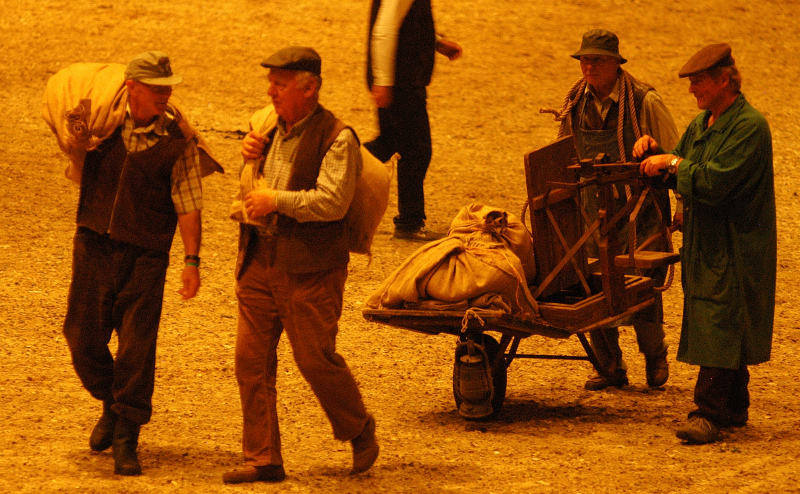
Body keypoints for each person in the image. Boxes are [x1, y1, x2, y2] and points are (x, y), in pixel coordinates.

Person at [60, 51, 221, 476]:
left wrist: (192, 260)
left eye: (168, 88)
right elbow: (72, 148)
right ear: (131, 87)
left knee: (137, 347)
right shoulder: (99, 126)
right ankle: (112, 405)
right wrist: (76, 133)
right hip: (93, 243)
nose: (166, 95)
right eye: (157, 88)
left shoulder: (178, 142)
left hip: (146, 255)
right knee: (81, 337)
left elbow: (188, 204)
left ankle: (127, 434)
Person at [223, 47, 378, 484]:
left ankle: (358, 427)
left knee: (314, 358)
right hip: (259, 258)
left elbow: (332, 202)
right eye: (270, 81)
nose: (269, 91)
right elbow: (258, 179)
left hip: (311, 268)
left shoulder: (338, 138)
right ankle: (263, 457)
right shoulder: (270, 128)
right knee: (250, 360)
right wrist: (250, 154)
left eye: (279, 83)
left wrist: (277, 202)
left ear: (308, 88)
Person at [637, 43, 775, 444]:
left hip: (736, 244)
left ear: (724, 80)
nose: (692, 89)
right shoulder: (704, 124)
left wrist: (674, 164)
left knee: (720, 317)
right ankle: (733, 406)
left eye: (698, 81)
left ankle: (708, 411)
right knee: (720, 316)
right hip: (709, 242)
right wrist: (655, 155)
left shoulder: (749, 126)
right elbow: (681, 168)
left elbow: (713, 181)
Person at [543, 29, 680, 391]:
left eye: (597, 60)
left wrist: (682, 205)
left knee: (641, 286)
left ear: (616, 63)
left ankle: (655, 357)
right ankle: (609, 366)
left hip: (639, 209)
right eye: (585, 59)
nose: (589, 66)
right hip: (592, 210)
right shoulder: (576, 100)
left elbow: (679, 155)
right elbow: (562, 150)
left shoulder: (644, 101)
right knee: (592, 284)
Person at [365, 0, 462, 241]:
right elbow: (384, 32)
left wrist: (436, 41)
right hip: (402, 82)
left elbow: (402, 24)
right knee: (417, 150)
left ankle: (328, 171)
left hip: (397, 80)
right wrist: (384, 80)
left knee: (388, 143)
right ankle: (410, 222)